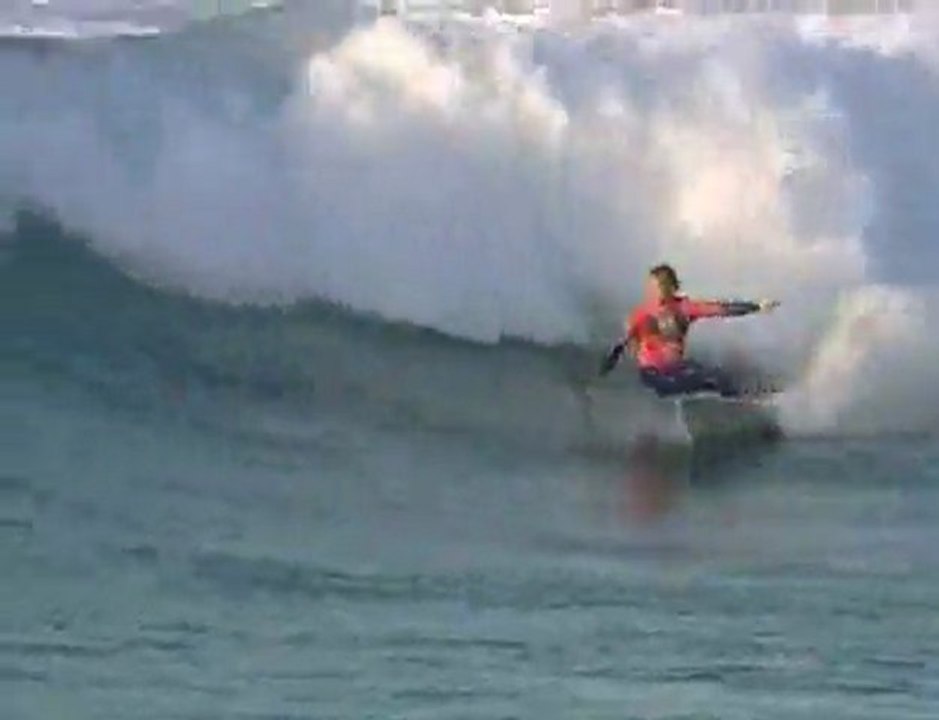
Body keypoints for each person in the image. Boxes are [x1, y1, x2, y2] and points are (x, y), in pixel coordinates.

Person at [599, 264, 779, 397]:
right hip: (652, 372)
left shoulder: (684, 308)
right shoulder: (641, 314)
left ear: (671, 287)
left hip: (677, 368)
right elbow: (621, 346)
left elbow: (721, 309)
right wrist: (605, 370)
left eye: (658, 286)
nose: (652, 291)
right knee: (672, 385)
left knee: (717, 376)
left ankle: (751, 399)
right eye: (651, 286)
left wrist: (756, 306)